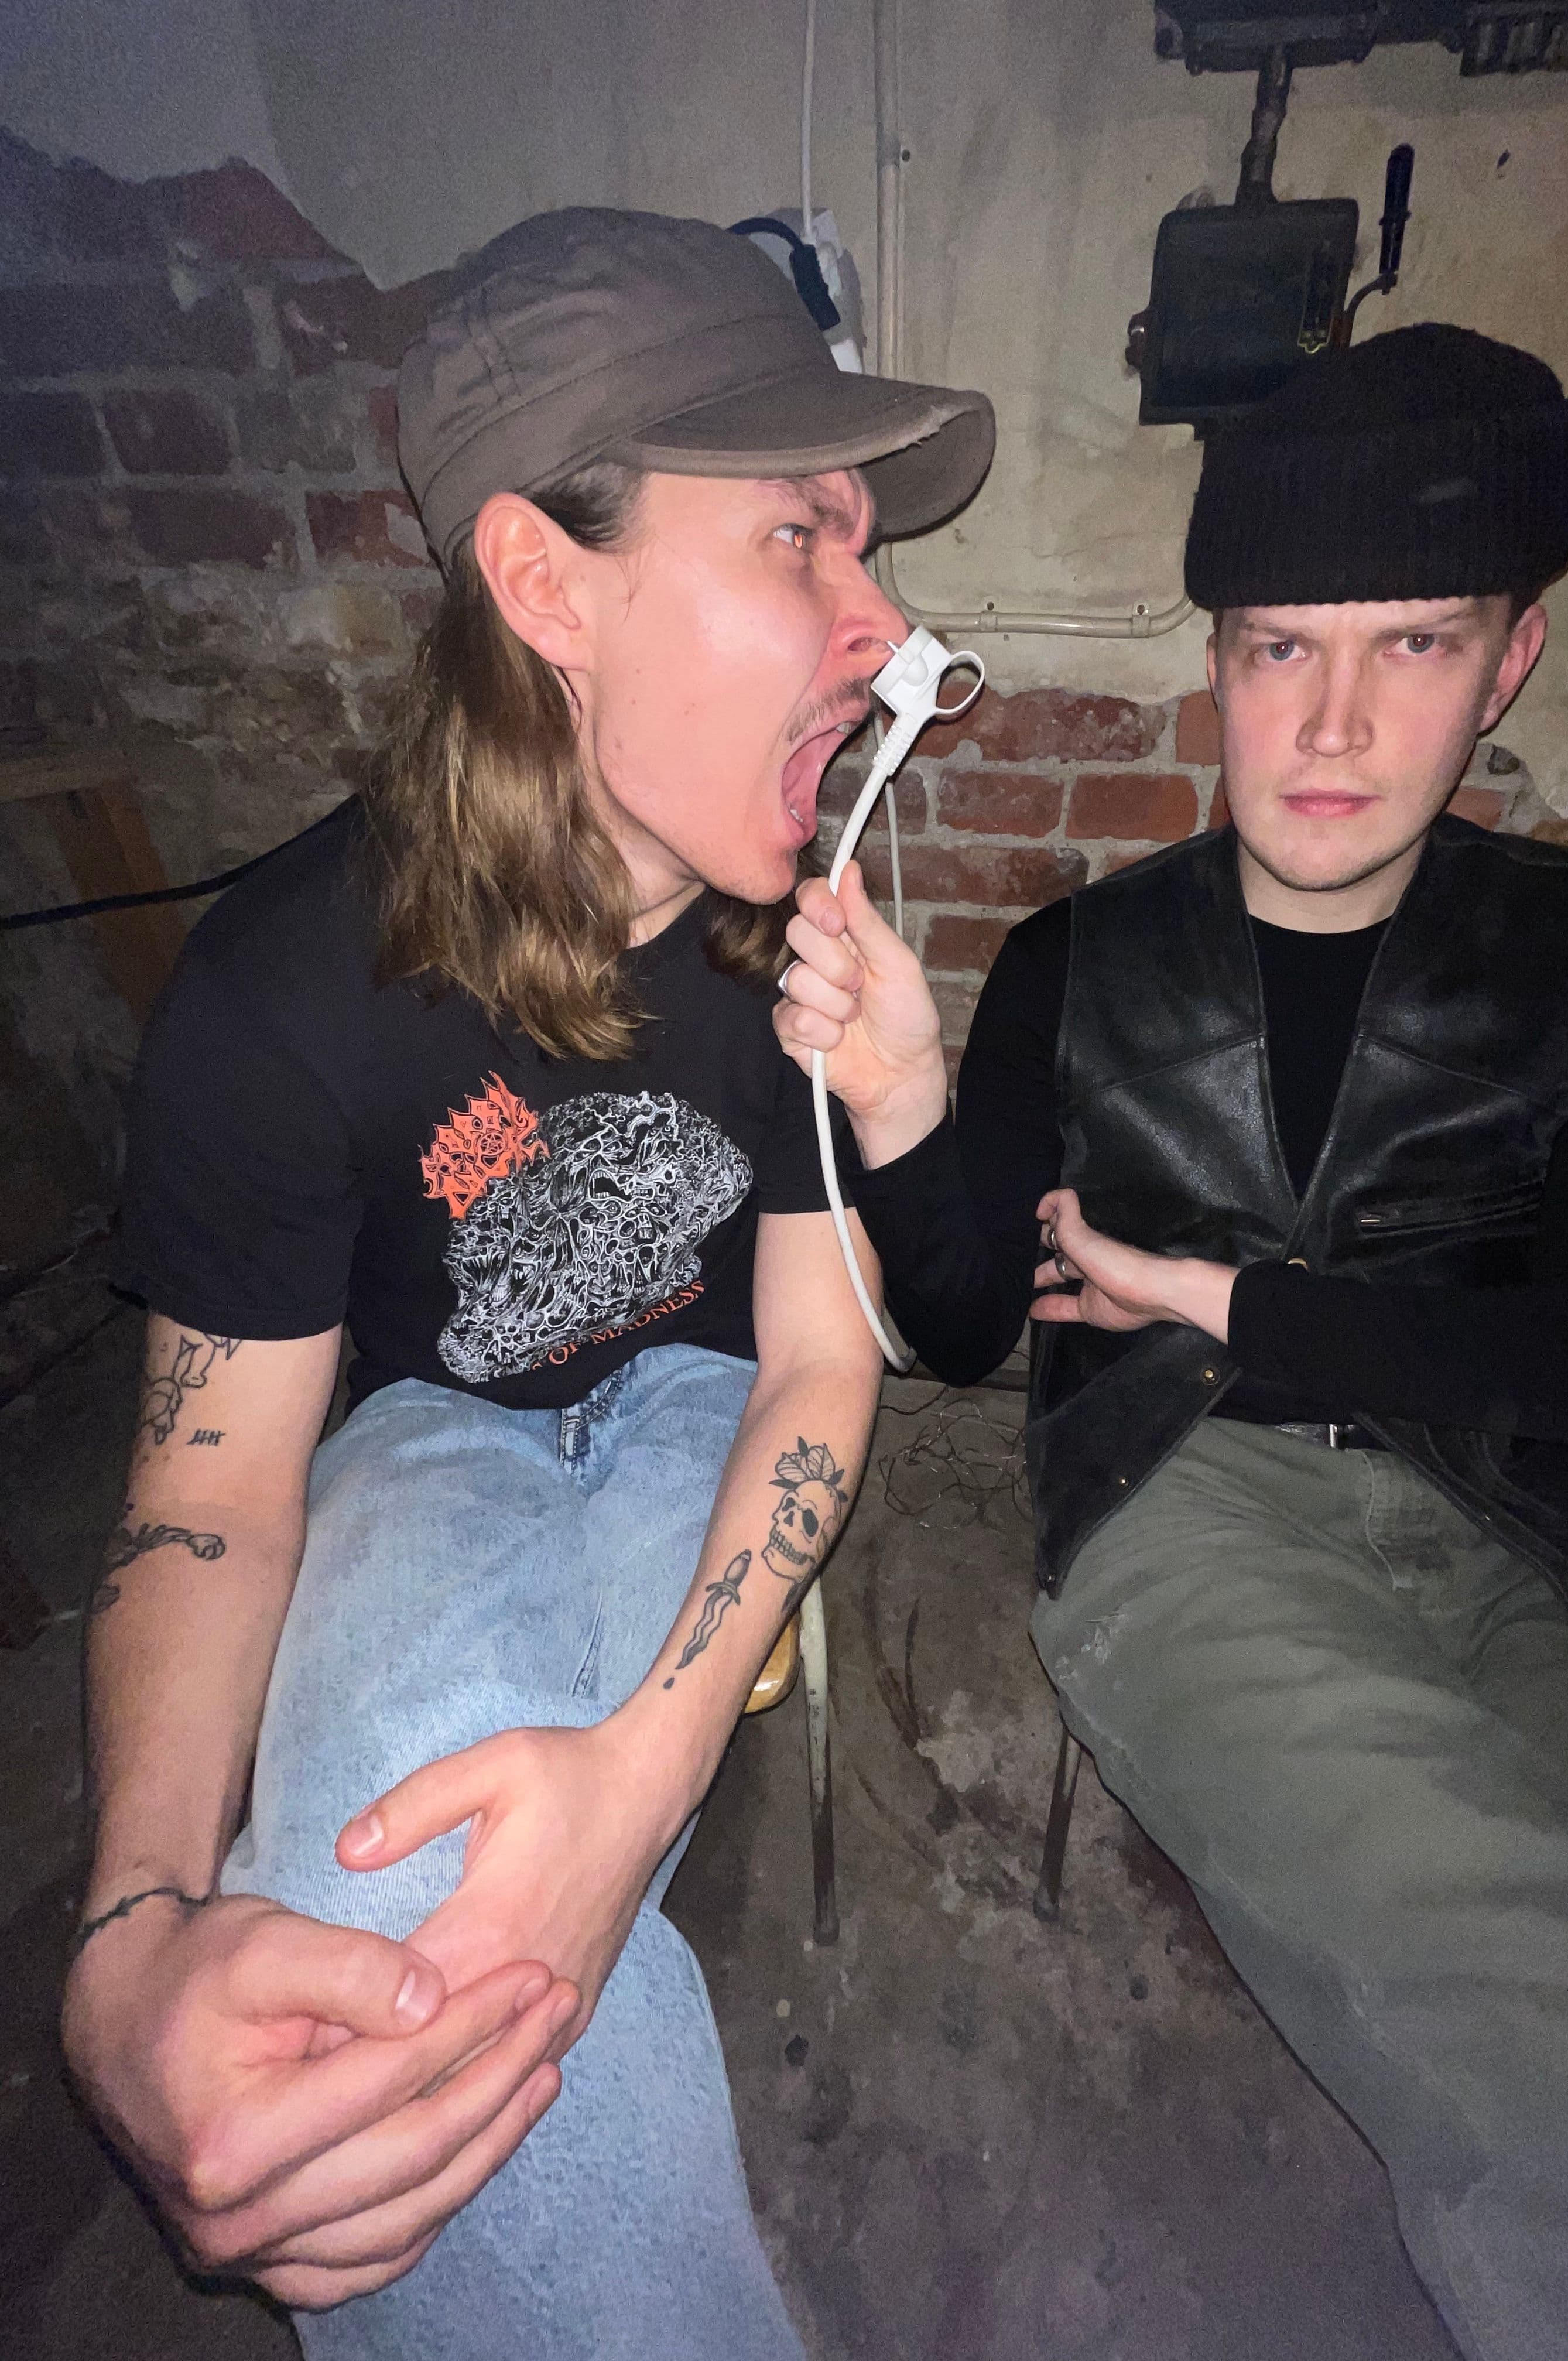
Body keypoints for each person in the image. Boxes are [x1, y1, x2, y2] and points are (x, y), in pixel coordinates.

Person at [776, 324, 1568, 2361]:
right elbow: (961, 1328)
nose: (1332, 723)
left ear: (1509, 663)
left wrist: (1218, 1297)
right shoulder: (1081, 960)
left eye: (1413, 646)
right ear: (1219, 663)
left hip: (1542, 1559)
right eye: (1279, 650)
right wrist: (903, 1106)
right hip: (1193, 1512)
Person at [60, 207, 992, 2359]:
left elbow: (816, 1367)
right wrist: (130, 1935)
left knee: (458, 1939)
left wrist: (636, 1780)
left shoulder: (805, 924)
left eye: (864, 549)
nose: (883, 625)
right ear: (547, 585)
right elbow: (212, 1497)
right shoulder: (278, 995)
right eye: (798, 542)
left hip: (709, 1407)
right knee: (365, 1926)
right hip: (427, 1431)